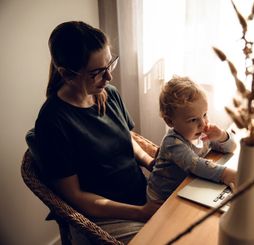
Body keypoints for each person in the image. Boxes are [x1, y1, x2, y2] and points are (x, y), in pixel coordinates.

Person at [34, 21, 159, 244]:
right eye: (98, 72)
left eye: (110, 64)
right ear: (67, 74)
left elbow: (126, 137)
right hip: (102, 218)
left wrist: (151, 162)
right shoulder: (53, 121)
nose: (109, 77)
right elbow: (76, 197)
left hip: (141, 197)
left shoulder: (108, 93)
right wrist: (140, 213)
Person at [147, 76, 238, 203]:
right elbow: (195, 165)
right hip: (162, 199)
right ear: (170, 121)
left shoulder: (199, 132)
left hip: (186, 187)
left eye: (204, 114)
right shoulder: (172, 143)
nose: (203, 123)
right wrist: (226, 175)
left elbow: (232, 147)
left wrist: (222, 135)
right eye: (193, 120)